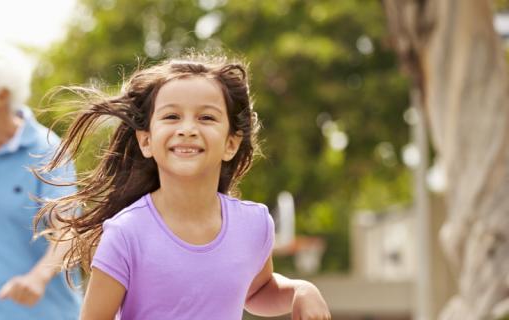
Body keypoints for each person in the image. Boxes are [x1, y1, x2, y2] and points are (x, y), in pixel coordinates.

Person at [34, 55, 332, 319]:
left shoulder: (254, 224)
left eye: (206, 117)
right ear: (146, 140)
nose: (187, 128)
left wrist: (300, 290)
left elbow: (257, 292)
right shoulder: (126, 234)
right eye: (172, 116)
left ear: (231, 143)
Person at [0, 55, 81, 319]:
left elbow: (68, 229)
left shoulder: (47, 151)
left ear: (1, 95)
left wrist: (38, 277)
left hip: (44, 312)